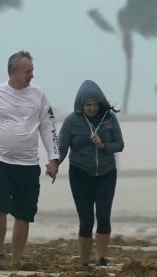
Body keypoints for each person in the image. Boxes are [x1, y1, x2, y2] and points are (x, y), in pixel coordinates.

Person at [0, 50, 60, 265]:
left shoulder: (39, 95)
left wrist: (53, 158)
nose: (32, 75)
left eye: (32, 70)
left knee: (24, 213)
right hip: (0, 162)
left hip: (28, 164)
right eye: (28, 71)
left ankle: (16, 259)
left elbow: (48, 126)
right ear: (13, 71)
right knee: (0, 206)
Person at [57, 80, 124, 267]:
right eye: (88, 105)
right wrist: (54, 164)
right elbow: (61, 148)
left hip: (106, 173)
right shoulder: (72, 121)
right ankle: (84, 262)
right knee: (86, 219)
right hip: (80, 174)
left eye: (95, 104)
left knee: (103, 216)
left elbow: (119, 145)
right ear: (81, 105)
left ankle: (101, 258)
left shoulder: (109, 119)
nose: (92, 108)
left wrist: (103, 145)